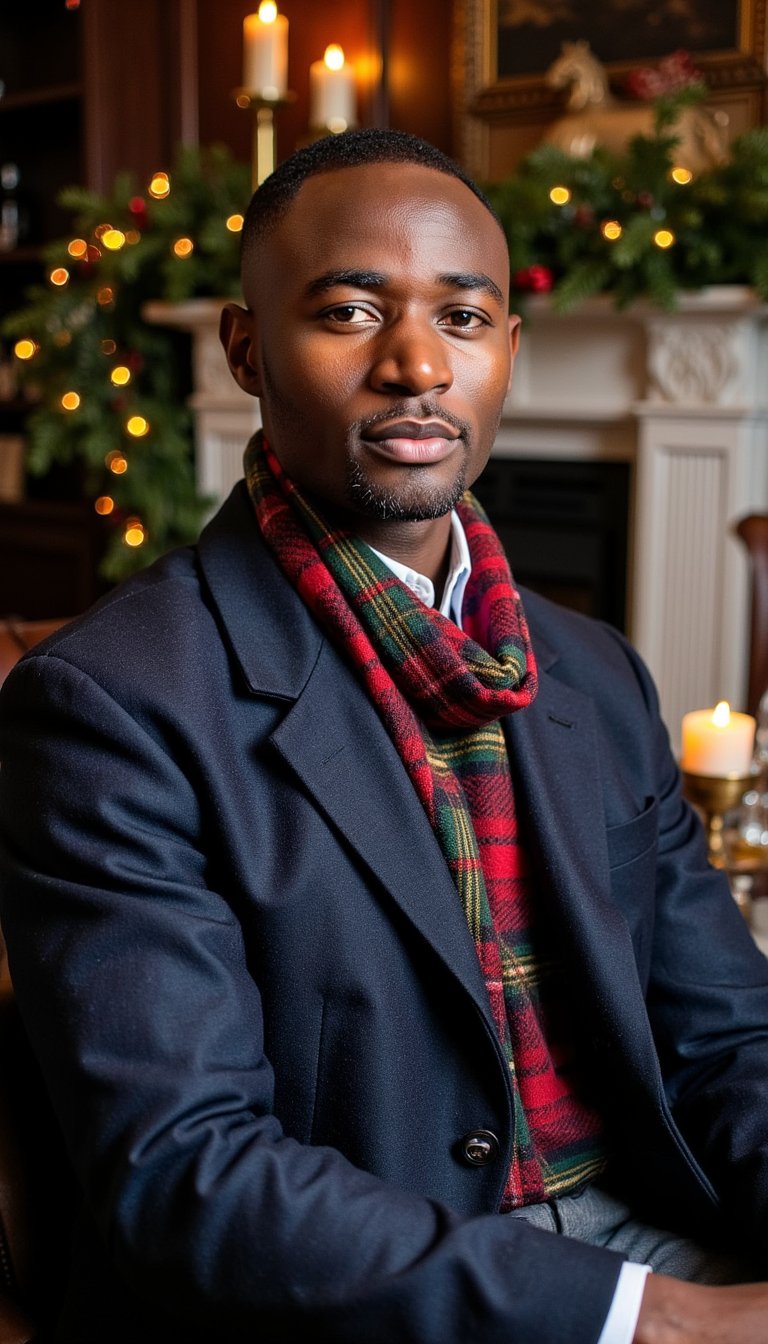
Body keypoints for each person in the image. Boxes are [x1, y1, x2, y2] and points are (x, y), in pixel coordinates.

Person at [0, 128, 767, 1344]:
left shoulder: (596, 670)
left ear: (508, 352)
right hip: (360, 1302)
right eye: (350, 312)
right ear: (246, 349)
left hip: (650, 1228)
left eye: (463, 319)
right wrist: (661, 1320)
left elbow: (728, 1036)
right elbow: (188, 1173)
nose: (417, 364)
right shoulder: (109, 704)